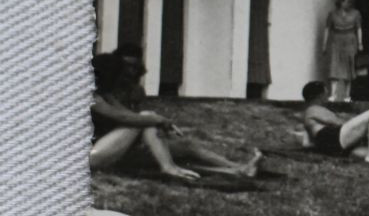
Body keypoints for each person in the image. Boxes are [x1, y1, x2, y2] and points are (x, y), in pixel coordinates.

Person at [90, 52, 260, 180]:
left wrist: (160, 123)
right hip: (92, 157)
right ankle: (169, 168)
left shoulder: (105, 94)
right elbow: (125, 119)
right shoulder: (89, 95)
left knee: (183, 144)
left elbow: (127, 114)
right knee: (147, 117)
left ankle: (236, 168)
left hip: (107, 149)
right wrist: (160, 120)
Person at [321, 0, 363, 103]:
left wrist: (360, 43)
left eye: (349, 2)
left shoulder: (356, 14)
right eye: (344, 1)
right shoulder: (333, 14)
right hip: (336, 41)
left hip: (350, 41)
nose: (347, 3)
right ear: (340, 2)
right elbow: (327, 29)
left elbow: (358, 28)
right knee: (334, 67)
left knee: (349, 69)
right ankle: (333, 95)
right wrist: (324, 44)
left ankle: (347, 96)